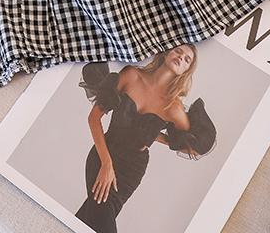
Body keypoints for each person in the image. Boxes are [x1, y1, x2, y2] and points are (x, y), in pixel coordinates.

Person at [74, 45, 216, 233]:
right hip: (103, 155)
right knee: (100, 221)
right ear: (167, 52)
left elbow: (196, 147)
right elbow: (94, 119)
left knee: (89, 220)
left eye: (187, 59)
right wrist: (106, 165)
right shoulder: (131, 75)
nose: (181, 57)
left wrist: (153, 136)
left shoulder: (174, 108)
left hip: (130, 170)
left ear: (186, 71)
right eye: (178, 51)